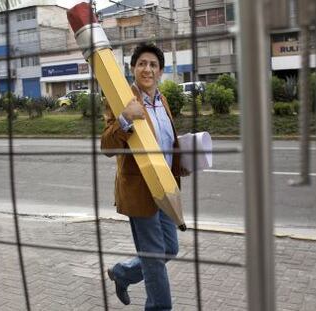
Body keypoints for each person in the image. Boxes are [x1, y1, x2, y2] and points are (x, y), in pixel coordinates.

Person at [101, 43, 188, 310]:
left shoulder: (162, 101)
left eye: (153, 65)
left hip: (165, 189)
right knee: (153, 258)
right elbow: (106, 145)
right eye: (142, 64)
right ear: (133, 69)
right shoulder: (120, 98)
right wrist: (125, 118)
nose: (147, 69)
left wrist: (181, 161)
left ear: (160, 71)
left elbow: (166, 143)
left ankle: (124, 272)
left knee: (169, 249)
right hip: (139, 192)